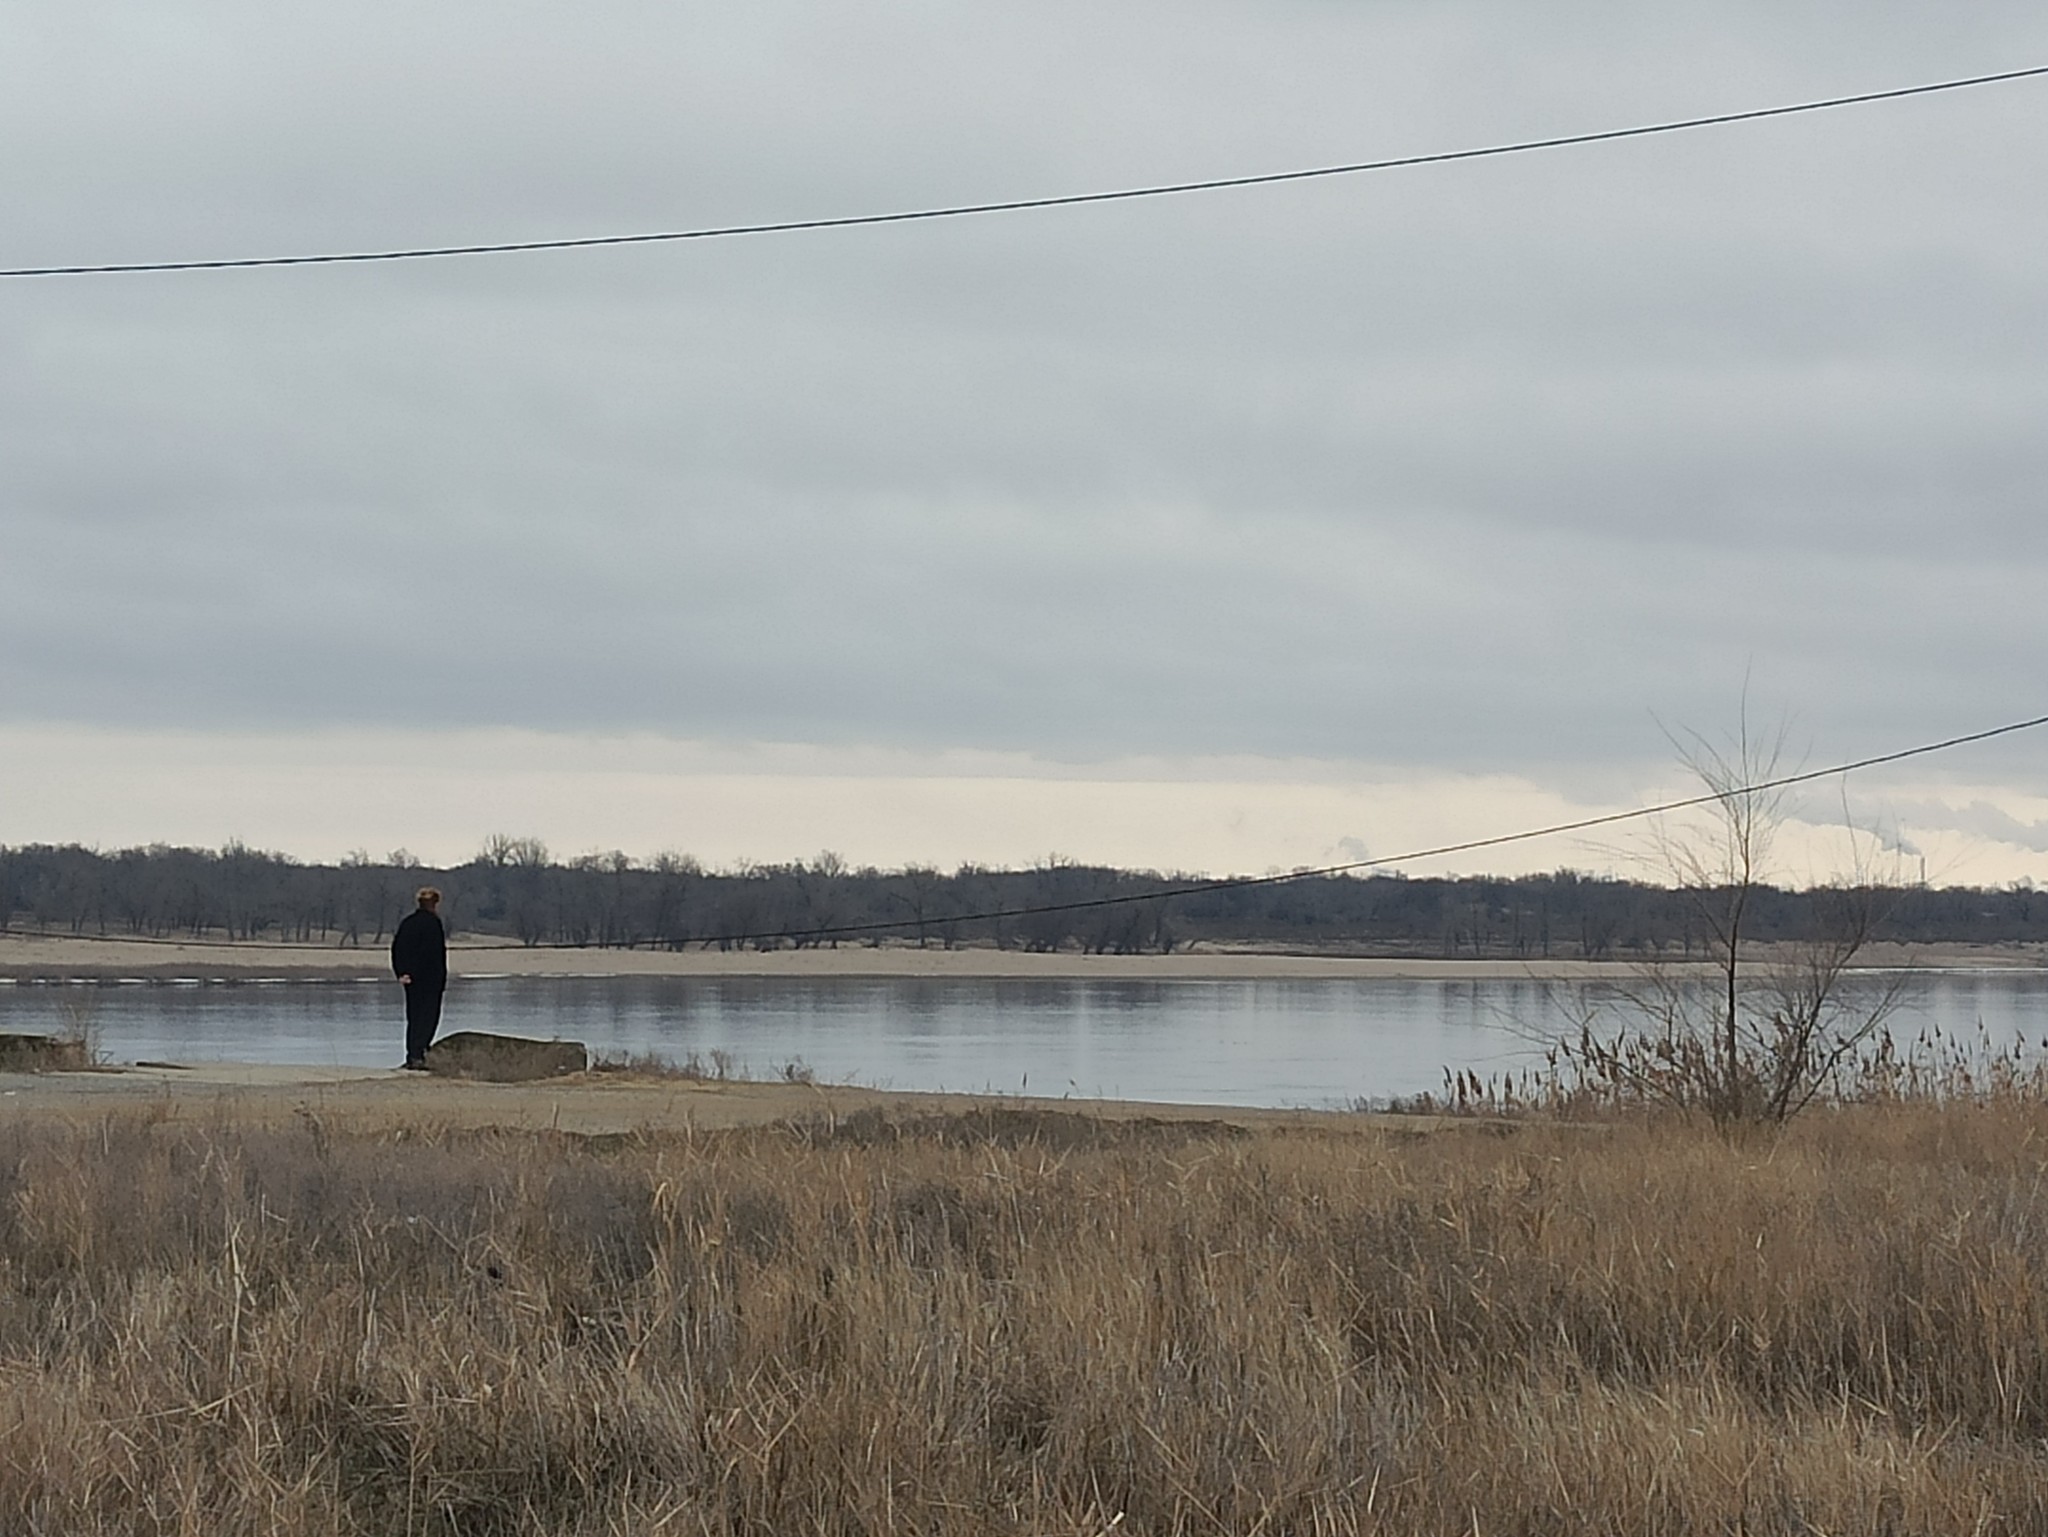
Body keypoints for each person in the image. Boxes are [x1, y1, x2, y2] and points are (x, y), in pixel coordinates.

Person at [390, 886, 448, 1070]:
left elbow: (397, 948)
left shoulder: (408, 922)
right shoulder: (434, 923)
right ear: (434, 903)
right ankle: (420, 1053)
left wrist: (401, 972)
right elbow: (435, 954)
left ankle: (413, 1054)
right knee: (428, 1017)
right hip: (430, 979)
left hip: (411, 979)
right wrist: (440, 978)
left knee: (414, 1017)